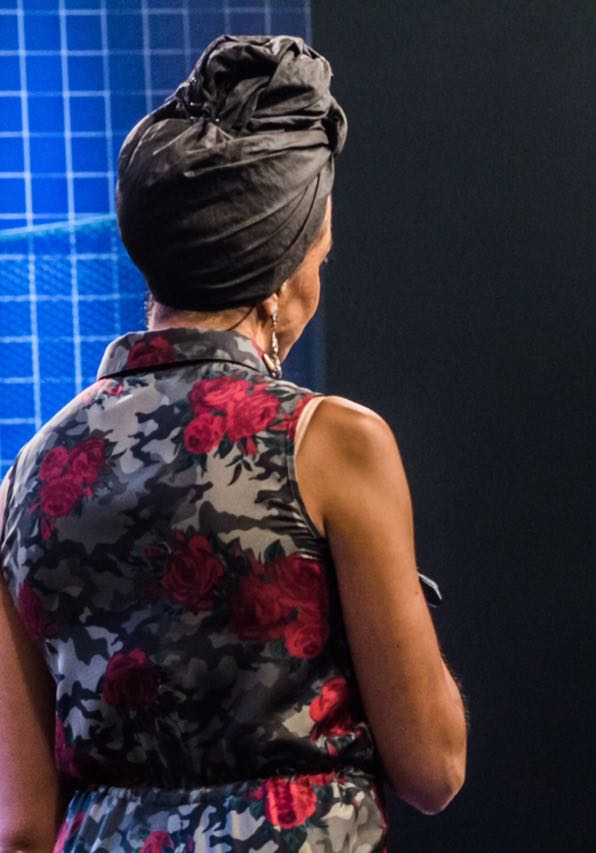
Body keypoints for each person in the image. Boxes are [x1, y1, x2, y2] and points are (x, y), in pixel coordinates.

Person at [0, 36, 466, 851]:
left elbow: (22, 825)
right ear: (280, 277)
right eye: (320, 256)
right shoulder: (333, 444)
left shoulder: (25, 480)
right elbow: (433, 765)